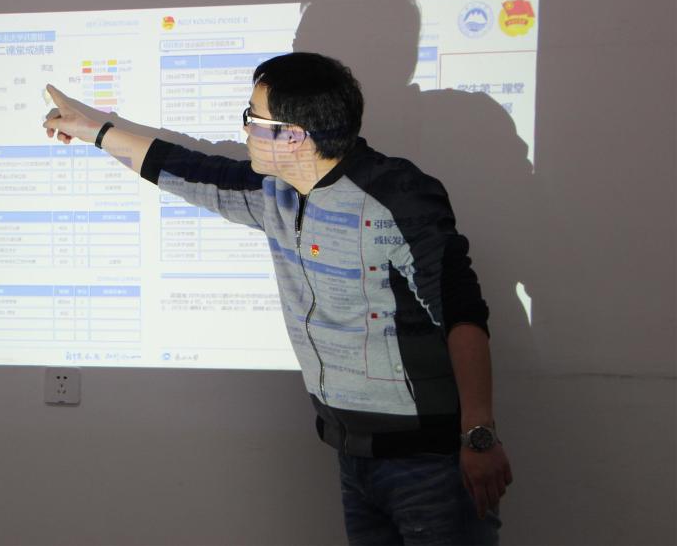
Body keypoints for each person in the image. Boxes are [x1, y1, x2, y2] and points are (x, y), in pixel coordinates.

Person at [42, 52, 512, 545]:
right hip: (354, 456)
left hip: (429, 462)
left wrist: (478, 436)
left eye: (254, 118)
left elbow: (461, 313)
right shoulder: (275, 194)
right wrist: (93, 130)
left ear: (294, 136)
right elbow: (185, 169)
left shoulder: (398, 197)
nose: (245, 130)